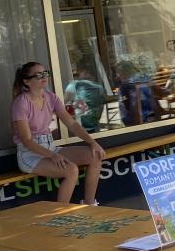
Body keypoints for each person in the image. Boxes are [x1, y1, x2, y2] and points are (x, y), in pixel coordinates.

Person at [11, 61, 106, 205]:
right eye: (38, 75)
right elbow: (27, 141)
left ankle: (90, 205)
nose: (44, 77)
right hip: (30, 154)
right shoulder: (21, 103)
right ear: (26, 81)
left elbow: (72, 123)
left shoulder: (51, 97)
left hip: (50, 147)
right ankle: (61, 216)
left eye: (45, 73)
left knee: (95, 155)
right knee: (71, 170)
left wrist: (92, 142)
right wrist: (53, 156)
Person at [64, 58, 108, 134]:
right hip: (95, 126)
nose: (77, 74)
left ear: (84, 72)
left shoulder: (74, 85)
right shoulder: (100, 87)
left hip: (78, 128)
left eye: (78, 72)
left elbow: (62, 104)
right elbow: (101, 108)